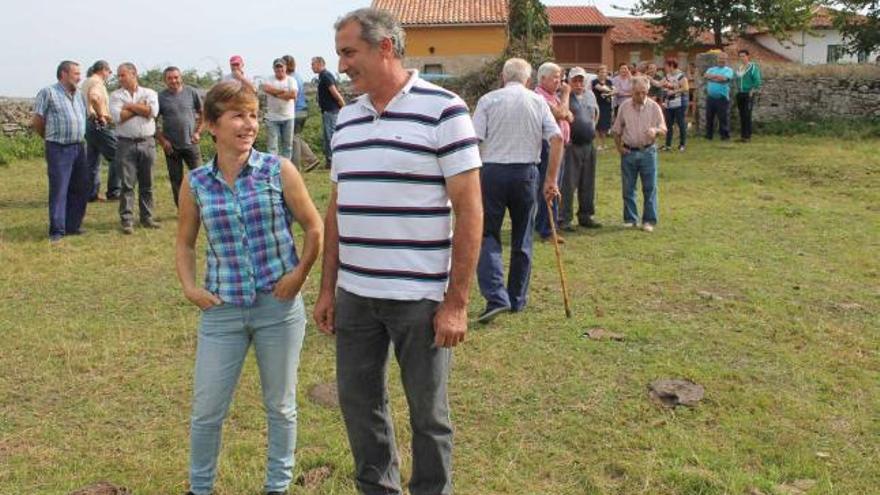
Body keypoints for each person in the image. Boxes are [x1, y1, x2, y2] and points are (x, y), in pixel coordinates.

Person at [312, 8, 483, 495]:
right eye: (340, 53)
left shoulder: (445, 109)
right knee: (358, 405)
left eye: (349, 52)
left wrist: (456, 302)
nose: (341, 65)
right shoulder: (346, 118)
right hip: (357, 296)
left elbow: (470, 212)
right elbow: (338, 208)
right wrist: (328, 288)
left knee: (428, 414)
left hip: (421, 297)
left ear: (385, 47)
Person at [176, 79, 323, 495]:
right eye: (238, 115)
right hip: (221, 311)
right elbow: (185, 242)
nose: (249, 124)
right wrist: (189, 286)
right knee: (207, 410)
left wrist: (298, 276)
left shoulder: (279, 170)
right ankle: (199, 488)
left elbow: (315, 228)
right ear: (211, 125)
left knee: (280, 406)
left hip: (277, 308)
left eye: (254, 115)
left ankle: (277, 487)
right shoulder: (197, 183)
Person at [472, 58, 562, 323]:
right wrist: (552, 179)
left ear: (502, 76)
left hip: (492, 172)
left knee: (488, 234)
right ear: (528, 80)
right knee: (523, 235)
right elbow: (557, 139)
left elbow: (474, 139)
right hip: (526, 173)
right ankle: (517, 298)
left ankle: (496, 296)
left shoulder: (488, 101)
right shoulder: (538, 102)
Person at [32, 60, 89, 242]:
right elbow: (38, 121)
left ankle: (73, 226)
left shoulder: (79, 95)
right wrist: (49, 138)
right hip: (58, 148)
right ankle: (57, 231)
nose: (79, 78)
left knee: (80, 188)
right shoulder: (48, 93)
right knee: (59, 189)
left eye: (80, 74)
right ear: (63, 74)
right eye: (76, 74)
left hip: (79, 146)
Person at [109, 62, 160, 234]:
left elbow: (152, 112)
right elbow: (117, 117)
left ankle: (147, 218)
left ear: (133, 74)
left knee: (148, 183)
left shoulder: (150, 93)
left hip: (147, 142)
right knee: (127, 184)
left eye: (123, 75)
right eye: (119, 75)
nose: (120, 78)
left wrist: (129, 106)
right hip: (126, 143)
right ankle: (127, 220)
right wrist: (140, 108)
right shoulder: (116, 95)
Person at [611, 76, 666, 232]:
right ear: (631, 92)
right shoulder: (624, 107)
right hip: (629, 152)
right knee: (628, 187)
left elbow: (664, 128)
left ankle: (649, 220)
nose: (641, 96)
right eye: (637, 93)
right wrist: (619, 148)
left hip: (648, 151)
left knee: (650, 187)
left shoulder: (654, 107)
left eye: (644, 93)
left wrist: (655, 130)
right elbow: (616, 130)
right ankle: (630, 218)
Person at [534, 61, 571, 244]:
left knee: (554, 184)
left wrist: (564, 110)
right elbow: (561, 114)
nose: (559, 81)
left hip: (559, 147)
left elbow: (569, 116)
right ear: (542, 78)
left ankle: (545, 224)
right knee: (550, 185)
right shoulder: (540, 97)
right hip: (548, 147)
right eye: (555, 77)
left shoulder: (551, 96)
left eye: (560, 77)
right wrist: (566, 94)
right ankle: (548, 230)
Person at [560, 66, 601, 232]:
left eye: (581, 80)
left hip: (589, 145)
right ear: (569, 81)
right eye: (575, 80)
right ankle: (564, 218)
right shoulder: (564, 97)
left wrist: (592, 128)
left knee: (588, 182)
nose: (578, 83)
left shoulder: (590, 95)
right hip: (572, 146)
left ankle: (586, 216)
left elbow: (595, 114)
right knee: (568, 183)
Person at [157, 66, 203, 208]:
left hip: (191, 143)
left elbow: (203, 113)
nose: (173, 80)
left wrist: (198, 132)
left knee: (199, 177)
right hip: (171, 146)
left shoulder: (191, 92)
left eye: (176, 77)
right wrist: (163, 141)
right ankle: (182, 209)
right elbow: (152, 121)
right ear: (165, 80)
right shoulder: (160, 97)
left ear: (181, 77)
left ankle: (202, 206)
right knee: (176, 180)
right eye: (170, 78)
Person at [82, 60, 120, 201]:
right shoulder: (97, 83)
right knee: (117, 155)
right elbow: (94, 98)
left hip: (88, 123)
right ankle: (114, 191)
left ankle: (90, 193)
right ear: (103, 70)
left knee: (92, 160)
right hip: (98, 123)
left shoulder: (86, 82)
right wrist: (101, 115)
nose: (109, 75)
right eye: (109, 72)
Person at [281, 55, 320, 170]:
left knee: (293, 138)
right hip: (302, 110)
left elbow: (293, 97)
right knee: (296, 136)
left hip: (296, 111)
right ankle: (311, 159)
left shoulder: (291, 79)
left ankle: (295, 166)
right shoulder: (297, 76)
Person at [311, 56, 345, 169]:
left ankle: (333, 161)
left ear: (320, 64)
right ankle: (330, 161)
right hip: (327, 111)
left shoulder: (325, 76)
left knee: (331, 136)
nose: (311, 67)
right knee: (328, 136)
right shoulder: (322, 76)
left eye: (313, 64)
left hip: (331, 111)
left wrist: (343, 106)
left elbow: (334, 92)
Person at [262, 58, 299, 160]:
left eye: (281, 66)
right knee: (272, 146)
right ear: (274, 68)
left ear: (285, 68)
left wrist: (275, 93)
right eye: (277, 67)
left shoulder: (291, 80)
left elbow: (293, 94)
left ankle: (286, 169)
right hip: (272, 118)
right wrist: (283, 92)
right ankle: (272, 169)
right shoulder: (269, 79)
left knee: (287, 146)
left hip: (288, 117)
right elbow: (266, 88)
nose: (279, 69)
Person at [703, 52, 734, 141]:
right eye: (720, 58)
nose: (721, 60)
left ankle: (724, 136)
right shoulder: (711, 69)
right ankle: (709, 136)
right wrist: (718, 78)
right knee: (709, 117)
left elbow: (725, 79)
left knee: (723, 118)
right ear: (717, 59)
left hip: (722, 98)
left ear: (726, 60)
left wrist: (712, 78)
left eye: (723, 59)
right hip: (710, 97)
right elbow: (705, 76)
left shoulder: (729, 70)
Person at [661, 59, 689, 152]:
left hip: (679, 103)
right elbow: (659, 84)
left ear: (671, 65)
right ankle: (668, 145)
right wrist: (649, 78)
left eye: (666, 66)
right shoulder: (667, 76)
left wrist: (674, 91)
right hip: (669, 103)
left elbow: (685, 88)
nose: (664, 68)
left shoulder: (681, 76)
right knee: (669, 125)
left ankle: (682, 144)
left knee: (681, 124)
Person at [735, 49, 762, 143]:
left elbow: (757, 80)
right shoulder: (739, 68)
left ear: (747, 56)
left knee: (747, 115)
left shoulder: (753, 67)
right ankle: (743, 136)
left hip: (748, 93)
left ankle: (748, 136)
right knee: (742, 115)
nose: (742, 58)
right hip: (740, 93)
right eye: (740, 56)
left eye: (743, 56)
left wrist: (752, 90)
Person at [591, 65, 614, 151]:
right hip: (597, 105)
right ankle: (597, 144)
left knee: (605, 126)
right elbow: (600, 88)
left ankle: (603, 144)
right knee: (597, 125)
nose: (603, 74)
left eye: (604, 72)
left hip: (607, 105)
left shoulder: (609, 81)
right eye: (601, 72)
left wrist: (610, 91)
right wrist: (610, 91)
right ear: (597, 73)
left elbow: (616, 91)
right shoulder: (594, 81)